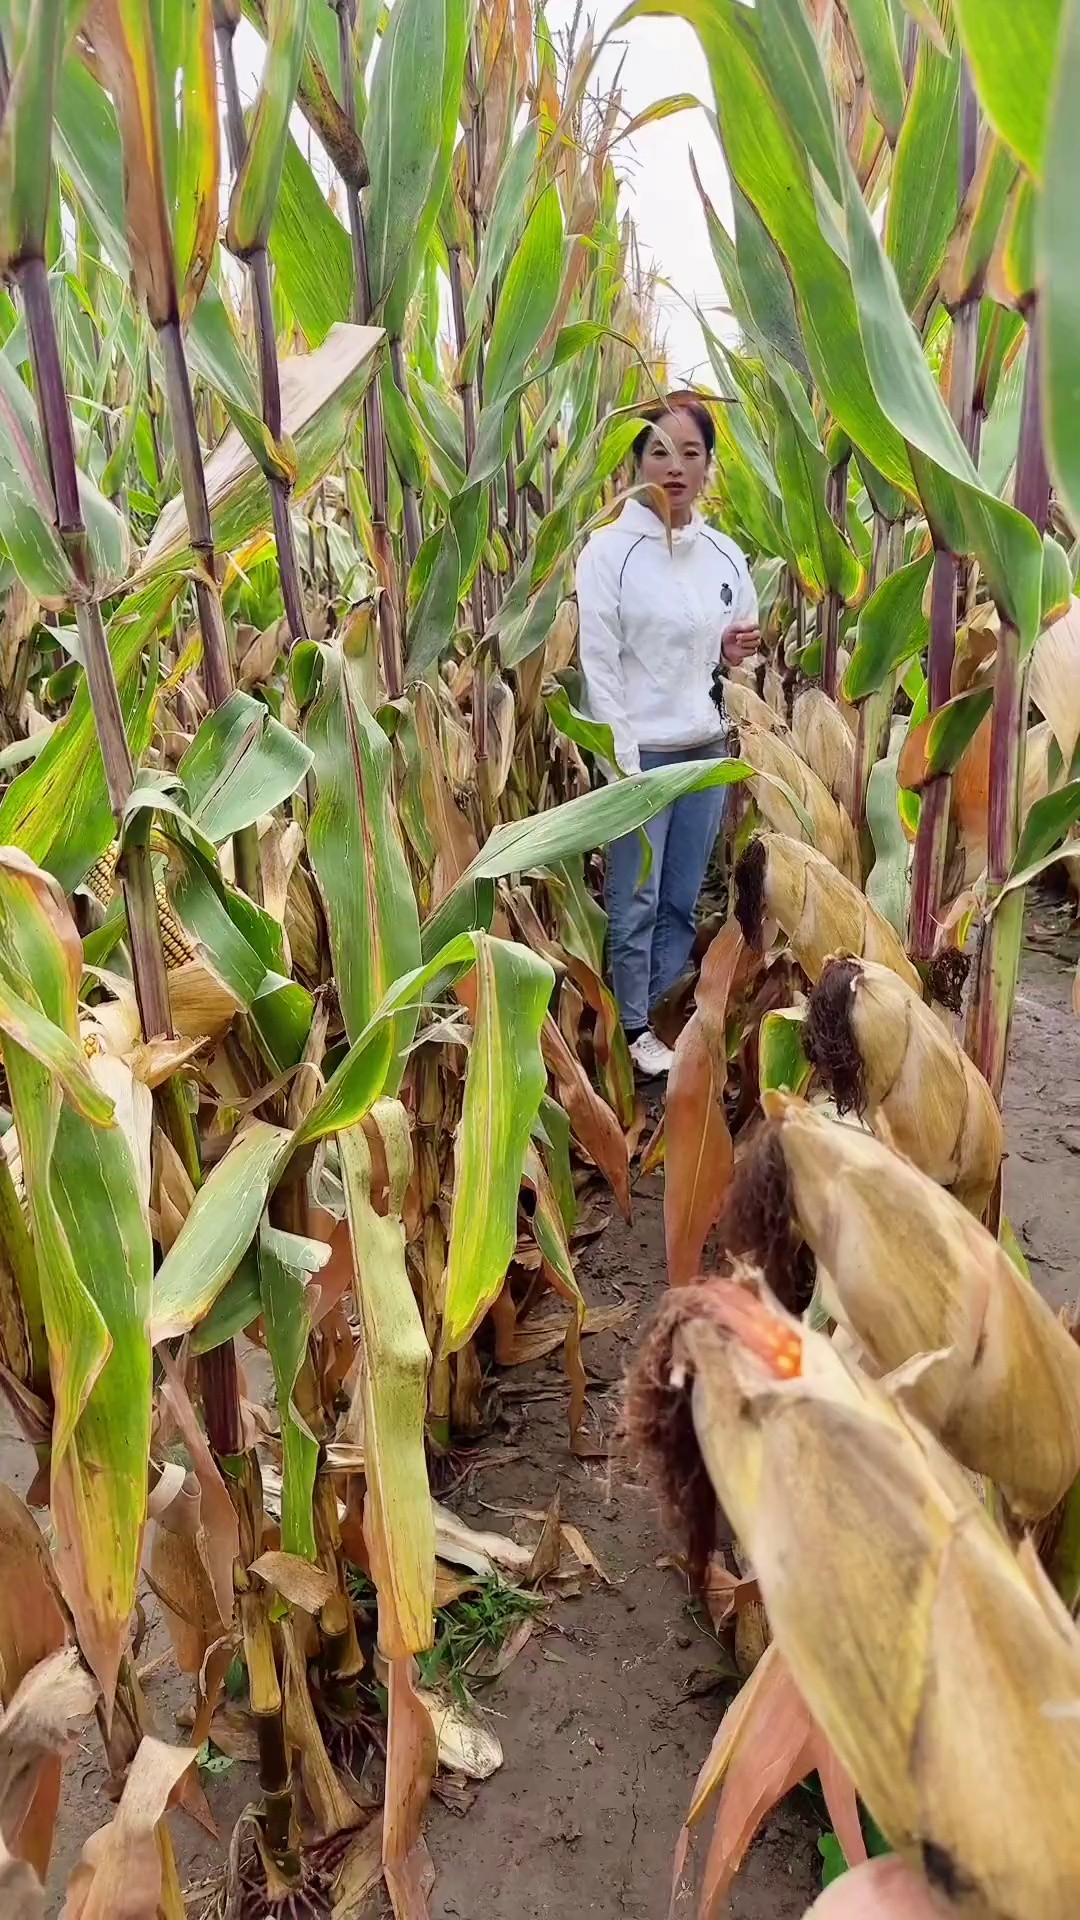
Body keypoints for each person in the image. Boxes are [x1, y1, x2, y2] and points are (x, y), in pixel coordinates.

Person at [575, 397, 760, 1077]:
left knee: (681, 896)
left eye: (690, 453)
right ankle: (627, 1029)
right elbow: (599, 664)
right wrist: (624, 768)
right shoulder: (608, 553)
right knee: (636, 899)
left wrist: (735, 648)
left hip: (704, 751)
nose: (675, 467)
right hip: (643, 757)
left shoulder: (723, 553)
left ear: (710, 465)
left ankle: (661, 1012)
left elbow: (736, 638)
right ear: (635, 463)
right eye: (659, 452)